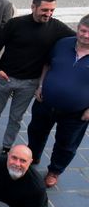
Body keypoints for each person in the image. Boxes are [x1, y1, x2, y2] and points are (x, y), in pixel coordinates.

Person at [0, 0, 74, 153]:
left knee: (16, 117)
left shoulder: (56, 27)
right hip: (4, 78)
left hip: (29, 83)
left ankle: (7, 146)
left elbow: (78, 39)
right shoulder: (16, 24)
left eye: (51, 10)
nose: (48, 14)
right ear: (33, 7)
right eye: (44, 10)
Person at [27, 15, 89, 188]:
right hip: (45, 102)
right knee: (36, 132)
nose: (86, 36)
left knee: (67, 144)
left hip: (76, 113)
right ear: (78, 28)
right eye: (83, 31)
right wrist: (40, 85)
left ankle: (54, 171)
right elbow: (47, 65)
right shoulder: (63, 44)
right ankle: (32, 157)